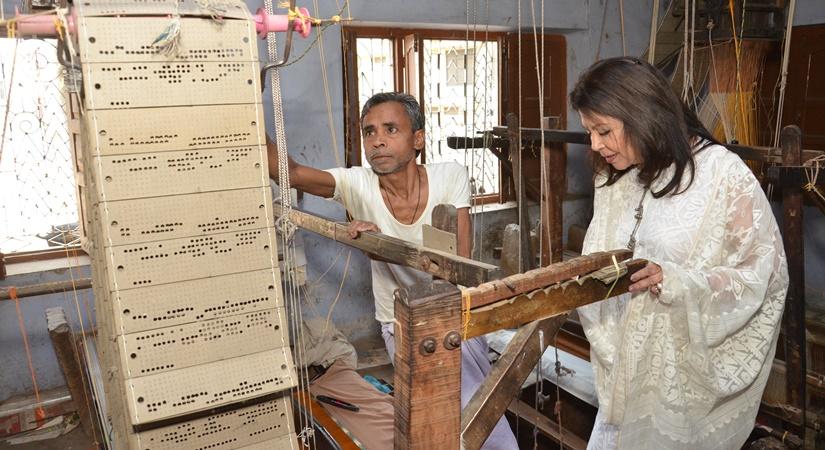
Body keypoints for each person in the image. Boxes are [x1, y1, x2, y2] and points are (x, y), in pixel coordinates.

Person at [267, 92, 518, 449]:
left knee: (476, 417)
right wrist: (244, 108)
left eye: (390, 129)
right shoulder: (358, 185)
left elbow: (458, 267)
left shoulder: (449, 177)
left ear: (417, 139)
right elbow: (288, 172)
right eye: (369, 132)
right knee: (438, 420)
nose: (377, 140)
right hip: (399, 325)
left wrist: (382, 246)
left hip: (455, 317)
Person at [570, 56, 788, 450]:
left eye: (603, 131)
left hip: (681, 388)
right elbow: (600, 254)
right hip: (625, 374)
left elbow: (764, 272)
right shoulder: (613, 176)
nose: (595, 145)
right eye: (589, 132)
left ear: (642, 115)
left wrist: (679, 282)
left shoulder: (722, 173)